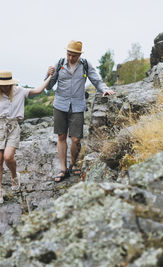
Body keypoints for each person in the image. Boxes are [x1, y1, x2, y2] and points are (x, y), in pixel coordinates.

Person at [46, 40, 115, 182]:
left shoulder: (85, 65)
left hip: (77, 106)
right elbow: (49, 86)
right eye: (69, 54)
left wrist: (104, 89)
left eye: (74, 56)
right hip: (60, 105)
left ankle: (73, 164)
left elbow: (96, 80)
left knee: (76, 139)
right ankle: (63, 170)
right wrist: (48, 75)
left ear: (79, 55)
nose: (71, 58)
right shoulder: (59, 63)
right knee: (61, 137)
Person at [0, 70, 52, 204]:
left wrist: (50, 76)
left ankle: (14, 176)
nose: (4, 87)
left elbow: (38, 90)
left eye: (7, 84)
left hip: (13, 126)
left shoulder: (20, 91)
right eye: (2, 85)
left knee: (8, 157)